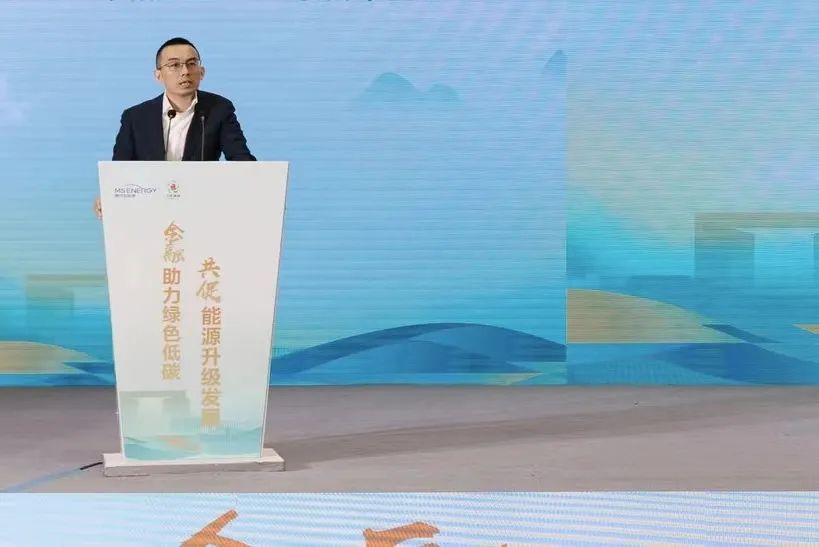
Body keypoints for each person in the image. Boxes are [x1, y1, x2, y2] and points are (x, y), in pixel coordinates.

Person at [93, 37, 256, 219]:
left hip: (200, 208)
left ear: (202, 72)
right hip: (149, 210)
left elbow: (240, 158)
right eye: (174, 65)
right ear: (158, 75)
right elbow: (120, 169)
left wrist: (257, 182)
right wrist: (108, 195)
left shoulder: (219, 109)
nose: (185, 72)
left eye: (191, 64)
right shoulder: (135, 117)